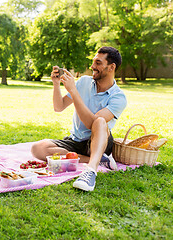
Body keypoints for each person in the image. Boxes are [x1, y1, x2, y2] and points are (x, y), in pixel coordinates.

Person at [31, 46, 127, 192]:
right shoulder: (84, 82)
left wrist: (73, 91)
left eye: (98, 63)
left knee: (100, 122)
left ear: (111, 67)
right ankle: (98, 160)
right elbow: (59, 107)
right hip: (75, 140)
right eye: (93, 61)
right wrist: (56, 84)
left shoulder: (118, 97)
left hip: (97, 141)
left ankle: (90, 171)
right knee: (37, 148)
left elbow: (92, 124)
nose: (92, 66)